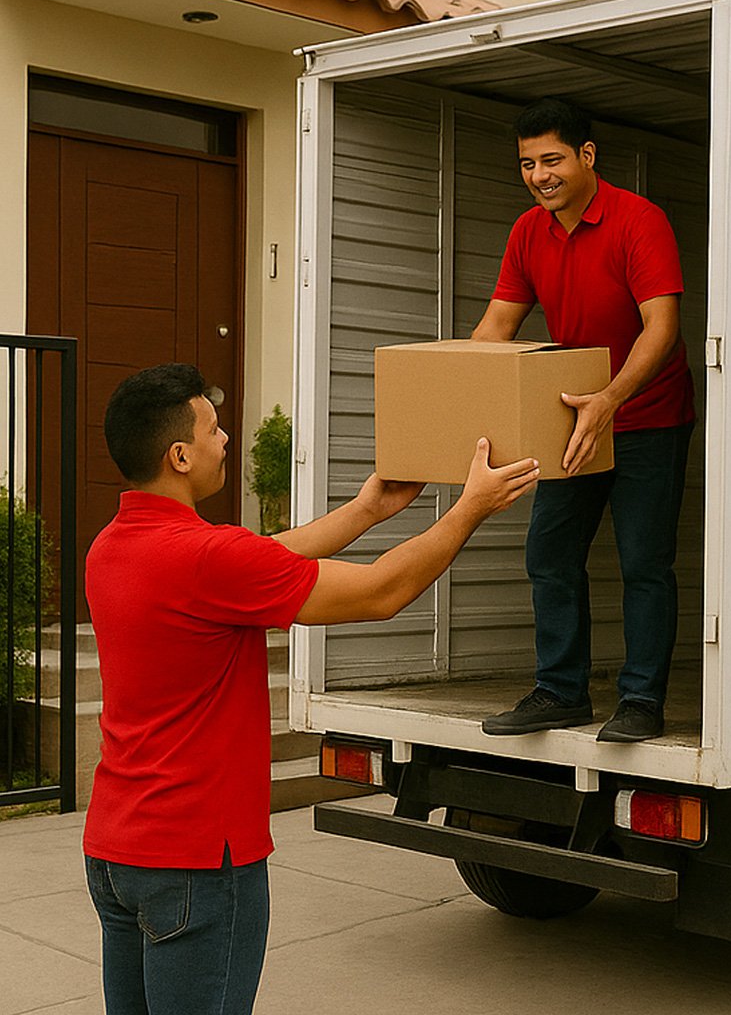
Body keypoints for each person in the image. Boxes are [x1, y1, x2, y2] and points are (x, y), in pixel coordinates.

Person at [83, 362, 539, 1015]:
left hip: (116, 856)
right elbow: (381, 591)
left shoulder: (113, 548)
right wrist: (471, 507)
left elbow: (260, 558)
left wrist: (367, 509)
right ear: (179, 455)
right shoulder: (209, 560)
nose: (225, 441)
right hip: (197, 863)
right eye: (214, 430)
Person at [477, 98, 695, 744]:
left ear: (586, 156)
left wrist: (613, 398)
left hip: (649, 417)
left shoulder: (638, 221)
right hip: (574, 420)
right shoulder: (527, 232)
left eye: (551, 160)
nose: (540, 175)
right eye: (527, 164)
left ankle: (642, 701)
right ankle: (560, 691)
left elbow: (663, 327)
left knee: (643, 562)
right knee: (549, 552)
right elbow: (497, 325)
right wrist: (460, 389)